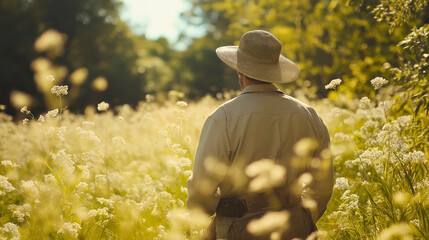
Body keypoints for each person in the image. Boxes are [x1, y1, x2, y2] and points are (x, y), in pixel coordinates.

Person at [186, 30, 334, 240]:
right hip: (297, 228)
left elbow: (203, 187)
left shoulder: (223, 118)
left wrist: (201, 216)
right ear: (274, 69)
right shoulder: (308, 115)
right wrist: (302, 217)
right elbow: (323, 183)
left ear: (240, 71)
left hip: (239, 230)